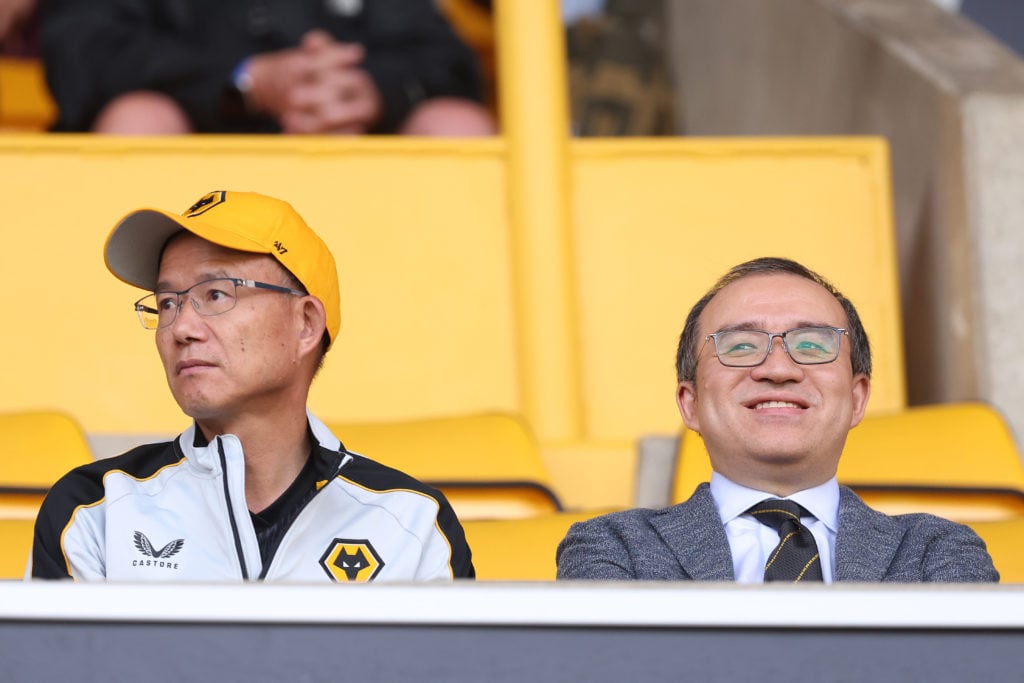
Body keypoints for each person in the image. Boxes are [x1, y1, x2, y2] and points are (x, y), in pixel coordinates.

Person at [29, 190, 475, 581]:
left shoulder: (412, 522)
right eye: (167, 303)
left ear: (306, 324)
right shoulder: (95, 507)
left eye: (217, 294)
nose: (181, 327)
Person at [557, 256, 998, 583]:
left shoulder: (935, 552)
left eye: (811, 345)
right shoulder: (615, 548)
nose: (778, 369)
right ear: (689, 402)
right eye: (742, 346)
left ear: (858, 397)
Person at [39, 0, 496, 136]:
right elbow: (83, 56)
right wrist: (246, 82)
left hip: (347, 145)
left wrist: (368, 91)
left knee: (457, 125)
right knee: (136, 120)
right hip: (200, 152)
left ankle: (475, 319)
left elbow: (446, 60)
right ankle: (120, 324)